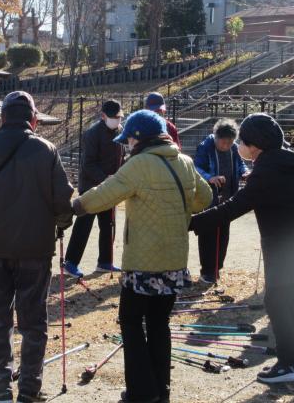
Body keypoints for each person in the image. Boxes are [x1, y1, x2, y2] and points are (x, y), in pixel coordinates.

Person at [74, 109, 212, 403]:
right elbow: (206, 198)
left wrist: (73, 206)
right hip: (175, 262)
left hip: (143, 264)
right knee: (160, 324)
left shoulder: (138, 165)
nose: (126, 144)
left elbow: (103, 195)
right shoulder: (185, 162)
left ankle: (141, 392)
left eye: (128, 140)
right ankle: (161, 389)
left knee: (132, 323)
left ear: (139, 138)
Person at [189, 113, 294, 384]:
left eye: (242, 141)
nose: (239, 146)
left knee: (279, 304)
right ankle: (293, 362)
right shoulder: (277, 163)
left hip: (291, 251)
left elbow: (232, 208)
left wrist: (189, 223)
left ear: (255, 145)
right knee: (284, 304)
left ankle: (293, 365)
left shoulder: (267, 171)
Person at [0, 91, 74, 403]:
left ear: (2, 119)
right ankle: (29, 389)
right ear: (33, 119)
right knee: (33, 321)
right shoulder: (47, 149)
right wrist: (63, 222)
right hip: (34, 248)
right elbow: (63, 203)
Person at [62, 99, 125, 278]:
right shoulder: (92, 134)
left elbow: (122, 157)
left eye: (119, 117)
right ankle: (70, 263)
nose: (117, 121)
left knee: (108, 224)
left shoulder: (121, 132)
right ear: (103, 116)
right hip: (90, 187)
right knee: (83, 225)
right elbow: (88, 164)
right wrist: (106, 179)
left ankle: (105, 262)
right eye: (114, 118)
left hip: (110, 187)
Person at [192, 119, 247, 283]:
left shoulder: (234, 148)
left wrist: (245, 172)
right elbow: (196, 168)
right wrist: (210, 178)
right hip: (209, 198)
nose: (226, 146)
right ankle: (207, 271)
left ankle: (217, 269)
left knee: (223, 234)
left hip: (228, 198)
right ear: (216, 137)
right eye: (223, 142)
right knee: (208, 234)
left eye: (230, 142)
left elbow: (240, 164)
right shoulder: (205, 146)